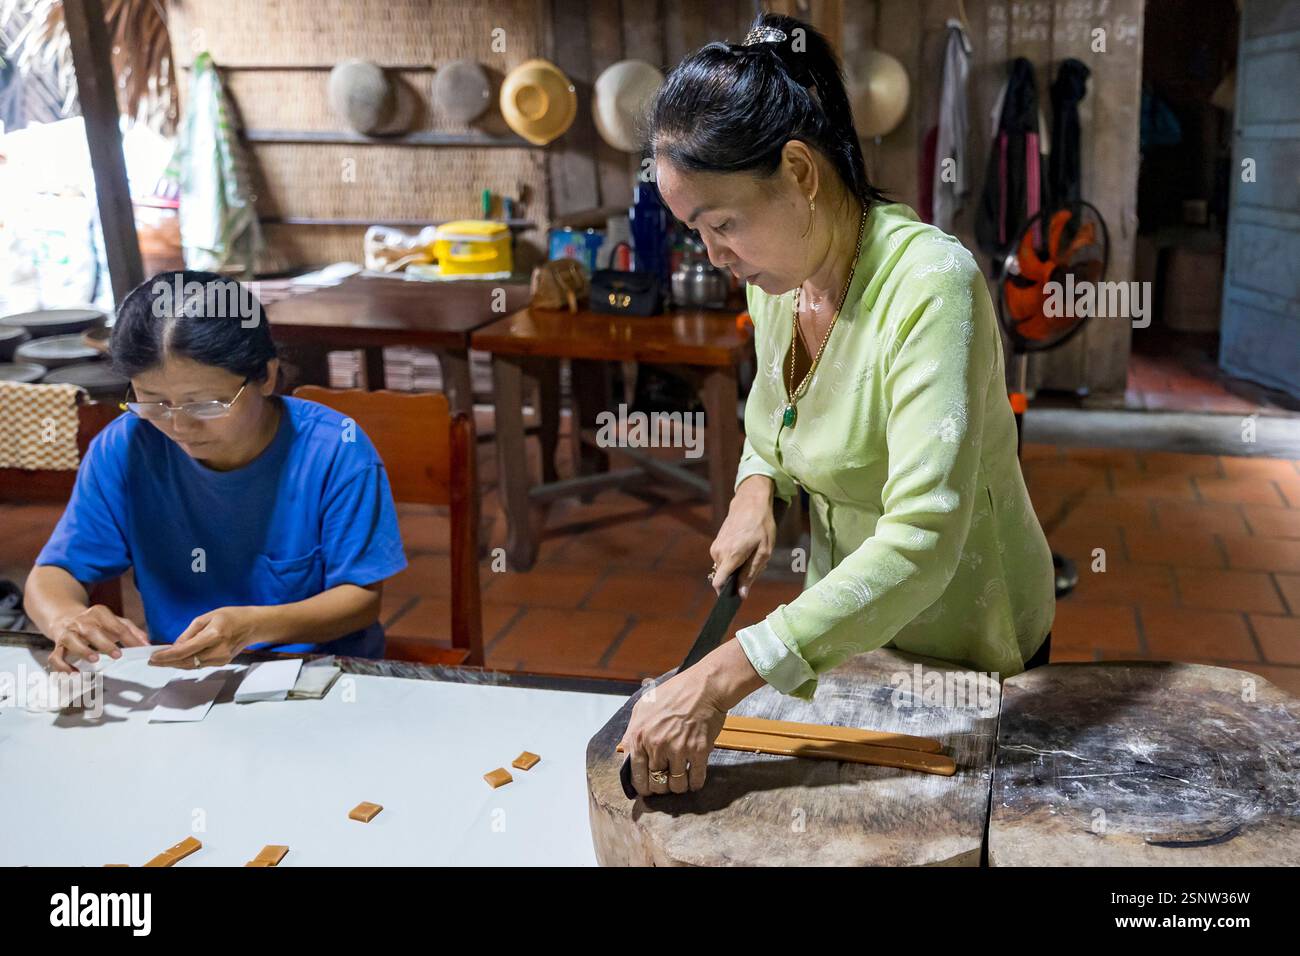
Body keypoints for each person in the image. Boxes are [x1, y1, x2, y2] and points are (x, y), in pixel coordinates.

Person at [618, 13, 1055, 796]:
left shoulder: (929, 289)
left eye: (723, 224)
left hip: (968, 637)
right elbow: (774, 418)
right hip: (851, 627)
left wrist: (724, 674)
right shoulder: (784, 279)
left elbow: (923, 537)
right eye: (696, 233)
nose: (716, 257)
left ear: (800, 171)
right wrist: (758, 488)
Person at [25, 270, 408, 672]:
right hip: (182, 678)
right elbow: (54, 572)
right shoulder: (126, 448)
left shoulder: (334, 449)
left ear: (266, 376)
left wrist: (255, 626)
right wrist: (65, 618)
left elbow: (361, 599)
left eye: (206, 403)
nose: (179, 426)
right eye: (153, 402)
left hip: (317, 671)